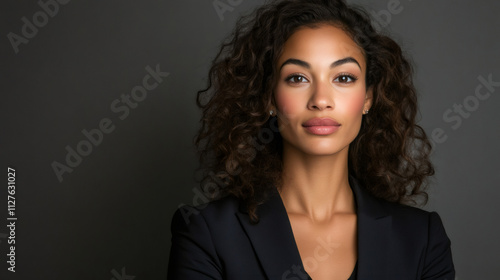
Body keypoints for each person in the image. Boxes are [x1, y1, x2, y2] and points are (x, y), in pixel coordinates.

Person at [167, 0, 455, 279]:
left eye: (343, 78)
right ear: (269, 97)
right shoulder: (206, 232)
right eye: (297, 78)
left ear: (368, 97)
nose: (320, 100)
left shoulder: (421, 239)